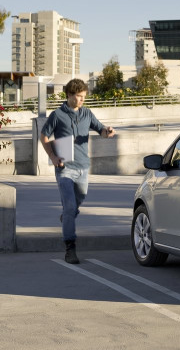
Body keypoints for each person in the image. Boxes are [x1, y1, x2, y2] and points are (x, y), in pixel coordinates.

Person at [40, 78, 116, 264]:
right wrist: (53, 157)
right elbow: (43, 136)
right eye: (79, 97)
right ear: (69, 95)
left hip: (83, 167)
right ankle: (70, 248)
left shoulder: (87, 113)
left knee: (76, 203)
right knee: (71, 206)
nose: (82, 100)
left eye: (83, 97)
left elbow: (101, 130)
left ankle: (67, 216)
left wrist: (108, 131)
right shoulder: (57, 115)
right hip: (64, 168)